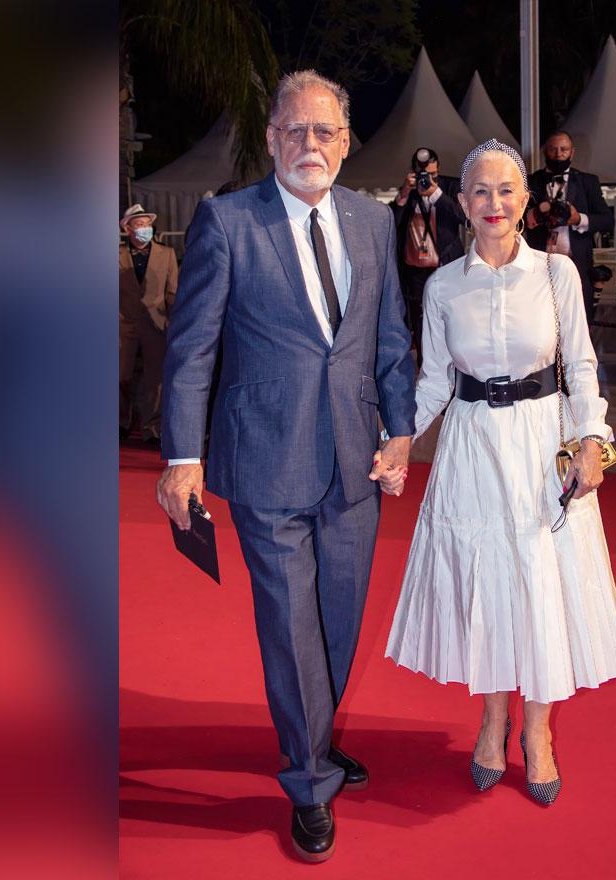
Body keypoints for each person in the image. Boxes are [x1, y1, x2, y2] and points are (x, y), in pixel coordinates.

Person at [155, 69, 416, 863]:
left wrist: (400, 431)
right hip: (265, 460)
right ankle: (307, 780)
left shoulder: (374, 225)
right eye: (296, 130)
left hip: (355, 459)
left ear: (345, 141)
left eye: (326, 131)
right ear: (272, 140)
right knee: (292, 626)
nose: (312, 144)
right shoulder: (227, 221)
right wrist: (182, 456)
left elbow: (390, 339)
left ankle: (318, 738)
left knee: (337, 621)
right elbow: (192, 347)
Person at [384, 139, 616, 806]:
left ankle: (538, 732)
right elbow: (433, 380)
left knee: (540, 584)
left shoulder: (558, 276)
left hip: (542, 443)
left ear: (526, 202)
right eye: (480, 192)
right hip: (471, 446)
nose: (494, 203)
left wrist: (593, 443)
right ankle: (492, 720)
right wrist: (398, 441)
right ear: (463, 204)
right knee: (490, 584)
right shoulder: (442, 286)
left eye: (506, 191)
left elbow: (581, 367)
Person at [523, 130, 614, 323]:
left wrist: (578, 219)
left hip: (577, 266)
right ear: (544, 152)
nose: (558, 154)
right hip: (539, 266)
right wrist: (536, 214)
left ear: (572, 152)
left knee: (578, 324)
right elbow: (518, 219)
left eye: (563, 150)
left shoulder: (587, 181)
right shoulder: (531, 181)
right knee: (540, 322)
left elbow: (607, 220)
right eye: (553, 149)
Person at [390, 147, 466, 352]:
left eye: (432, 175)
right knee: (421, 324)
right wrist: (404, 193)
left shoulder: (450, 187)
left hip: (446, 264)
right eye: (423, 175)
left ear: (438, 170)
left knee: (451, 322)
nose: (427, 180)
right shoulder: (410, 192)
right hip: (416, 271)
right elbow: (392, 223)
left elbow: (464, 216)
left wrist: (437, 194)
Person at [119, 204, 177, 445]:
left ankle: (152, 428)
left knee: (156, 380)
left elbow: (173, 292)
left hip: (157, 325)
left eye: (147, 224)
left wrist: (173, 323)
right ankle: (120, 423)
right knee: (120, 377)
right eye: (139, 224)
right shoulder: (115, 254)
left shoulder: (167, 254)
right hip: (122, 325)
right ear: (127, 228)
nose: (145, 229)